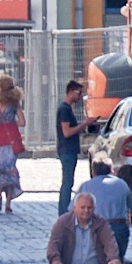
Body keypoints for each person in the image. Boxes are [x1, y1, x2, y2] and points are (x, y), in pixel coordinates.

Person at [77, 157, 132, 263]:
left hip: (94, 227)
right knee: (117, 261)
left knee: (94, 262)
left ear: (93, 171)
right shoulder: (122, 184)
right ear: (111, 170)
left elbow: (74, 209)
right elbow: (130, 206)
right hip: (118, 227)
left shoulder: (86, 186)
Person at [0, 73, 25, 214]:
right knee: (10, 168)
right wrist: (11, 121)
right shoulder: (14, 103)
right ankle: (8, 203)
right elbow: (22, 122)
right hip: (11, 137)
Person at [54, 79, 85, 213]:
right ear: (71, 92)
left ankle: (63, 210)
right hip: (67, 150)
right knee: (67, 182)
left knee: (68, 181)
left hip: (69, 150)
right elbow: (66, 132)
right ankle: (64, 211)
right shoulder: (64, 109)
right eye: (78, 93)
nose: (80, 97)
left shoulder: (67, 109)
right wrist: (84, 125)